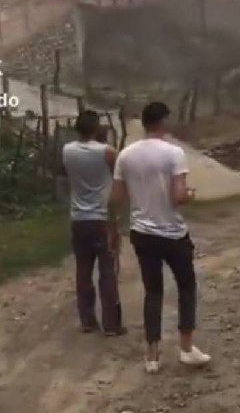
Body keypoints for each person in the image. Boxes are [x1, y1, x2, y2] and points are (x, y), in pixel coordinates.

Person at [110, 101, 209, 373]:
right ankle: (186, 348)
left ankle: (152, 356)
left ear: (144, 123)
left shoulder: (126, 155)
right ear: (164, 121)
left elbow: (117, 197)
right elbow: (178, 196)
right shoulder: (173, 153)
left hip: (142, 232)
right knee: (186, 286)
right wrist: (190, 195)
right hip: (172, 233)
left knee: (153, 291)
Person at [62, 110, 125, 336]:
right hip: (102, 218)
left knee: (83, 270)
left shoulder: (67, 150)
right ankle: (112, 324)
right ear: (97, 128)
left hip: (78, 218)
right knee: (108, 270)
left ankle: (87, 320)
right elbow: (119, 174)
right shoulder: (107, 152)